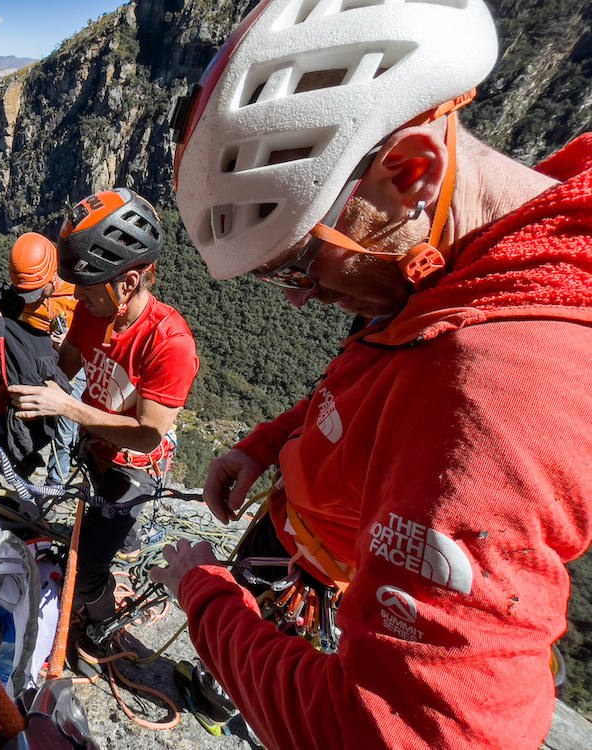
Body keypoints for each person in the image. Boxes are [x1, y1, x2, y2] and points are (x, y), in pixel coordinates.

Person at [150, 1, 592, 748]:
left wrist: (203, 598)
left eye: (297, 260)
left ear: (410, 172)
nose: (296, 294)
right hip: (294, 527)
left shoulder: (496, 390)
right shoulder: (465, 273)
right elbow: (364, 384)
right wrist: (263, 445)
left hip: (330, 578)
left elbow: (388, 732)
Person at [9, 188, 199, 638]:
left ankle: (101, 625)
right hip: (96, 446)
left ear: (127, 283)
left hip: (134, 467)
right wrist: (15, 340)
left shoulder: (170, 345)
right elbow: (67, 364)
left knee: (89, 567)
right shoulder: (94, 311)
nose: (79, 298)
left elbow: (148, 434)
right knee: (93, 532)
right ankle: (123, 540)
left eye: (88, 290)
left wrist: (69, 408)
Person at [0, 232, 76, 480]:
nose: (35, 298)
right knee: (13, 407)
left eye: (39, 292)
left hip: (72, 361)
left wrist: (69, 342)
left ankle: (54, 485)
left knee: (65, 427)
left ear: (53, 275)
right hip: (34, 361)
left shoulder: (78, 291)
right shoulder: (22, 292)